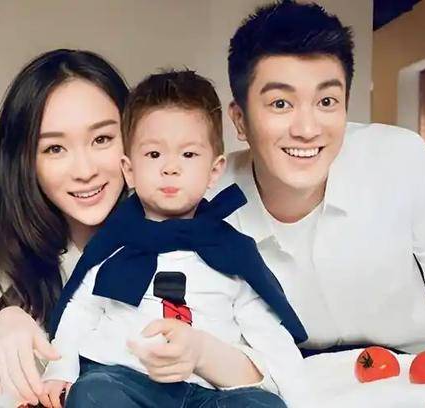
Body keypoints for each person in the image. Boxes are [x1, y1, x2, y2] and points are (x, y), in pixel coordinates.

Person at [216, 1, 425, 407]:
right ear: (240, 120)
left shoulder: (399, 158)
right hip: (288, 380)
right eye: (280, 103)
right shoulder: (210, 196)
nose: (307, 129)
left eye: (326, 102)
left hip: (411, 376)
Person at [40, 69, 305, 408]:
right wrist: (59, 369)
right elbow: (79, 310)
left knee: (261, 405)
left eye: (188, 155)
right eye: (154, 155)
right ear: (129, 170)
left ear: (214, 170)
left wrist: (298, 395)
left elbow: (268, 333)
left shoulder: (231, 251)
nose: (170, 168)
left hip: (209, 391)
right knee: (92, 393)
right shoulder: (113, 244)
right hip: (128, 380)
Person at [0, 49, 130, 407]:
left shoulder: (177, 237)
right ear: (26, 161)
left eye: (102, 139)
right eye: (55, 148)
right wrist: (9, 315)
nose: (85, 170)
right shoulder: (18, 248)